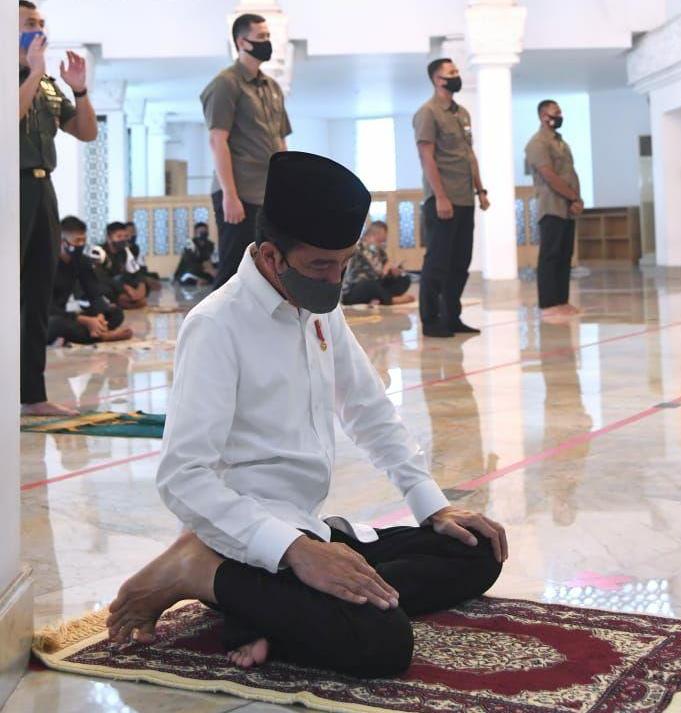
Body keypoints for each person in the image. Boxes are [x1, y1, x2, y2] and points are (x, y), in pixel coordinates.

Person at [107, 152, 507, 678]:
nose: (336, 279)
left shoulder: (318, 308)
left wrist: (432, 506)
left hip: (308, 530)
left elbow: (368, 409)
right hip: (244, 541)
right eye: (322, 265)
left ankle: (274, 613)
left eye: (344, 263)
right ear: (272, 257)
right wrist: (293, 550)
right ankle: (200, 572)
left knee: (477, 551)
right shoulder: (216, 326)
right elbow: (183, 478)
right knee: (382, 642)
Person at [19, 0, 98, 415]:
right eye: (29, 23)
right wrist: (32, 71)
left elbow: (85, 131)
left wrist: (79, 89)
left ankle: (32, 396)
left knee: (37, 292)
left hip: (42, 188)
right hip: (9, 187)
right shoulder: (19, 77)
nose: (38, 29)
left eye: (41, 23)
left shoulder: (48, 83)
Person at [201, 12, 292, 290]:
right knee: (233, 270)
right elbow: (218, 140)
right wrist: (230, 195)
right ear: (242, 42)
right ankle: (213, 331)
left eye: (268, 36)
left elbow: (280, 141)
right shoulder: (226, 83)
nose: (267, 42)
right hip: (240, 193)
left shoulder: (272, 87)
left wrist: (287, 188)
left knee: (268, 268)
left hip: (269, 194)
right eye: (261, 37)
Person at [413, 58, 489, 339]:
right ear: (437, 79)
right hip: (442, 200)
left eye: (457, 71)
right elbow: (427, 157)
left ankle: (451, 316)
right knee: (437, 263)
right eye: (451, 73)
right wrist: (441, 197)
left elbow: (468, 155)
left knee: (460, 262)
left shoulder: (462, 113)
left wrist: (480, 190)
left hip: (465, 198)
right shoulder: (428, 113)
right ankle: (431, 320)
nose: (457, 76)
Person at [525, 100, 584, 319]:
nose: (560, 115)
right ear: (543, 116)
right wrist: (572, 197)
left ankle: (561, 300)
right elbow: (550, 176)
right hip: (552, 206)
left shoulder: (561, 142)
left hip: (567, 205)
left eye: (560, 112)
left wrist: (576, 199)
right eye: (555, 112)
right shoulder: (538, 143)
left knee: (564, 254)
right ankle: (548, 303)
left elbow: (570, 173)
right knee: (551, 255)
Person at [48, 216, 132, 345]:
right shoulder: (47, 264)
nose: (81, 245)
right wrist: (84, 320)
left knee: (115, 313)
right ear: (62, 241)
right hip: (49, 316)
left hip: (68, 315)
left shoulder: (82, 261)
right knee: (56, 324)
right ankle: (102, 336)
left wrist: (99, 316)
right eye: (77, 241)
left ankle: (94, 332)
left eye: (84, 240)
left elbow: (94, 294)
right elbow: (45, 308)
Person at [342, 221, 414, 306]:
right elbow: (375, 271)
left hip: (375, 284)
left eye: (383, 241)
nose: (382, 244)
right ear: (370, 236)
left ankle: (380, 298)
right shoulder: (358, 247)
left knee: (404, 279)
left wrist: (393, 272)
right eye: (380, 241)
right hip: (356, 289)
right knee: (370, 285)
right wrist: (384, 269)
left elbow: (383, 275)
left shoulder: (380, 251)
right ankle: (391, 300)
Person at [96, 222, 148, 310]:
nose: (123, 240)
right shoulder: (99, 252)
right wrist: (126, 288)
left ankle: (123, 302)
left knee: (141, 286)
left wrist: (141, 286)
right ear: (109, 238)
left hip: (119, 286)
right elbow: (102, 277)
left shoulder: (125, 252)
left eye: (125, 236)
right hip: (105, 287)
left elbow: (136, 271)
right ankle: (119, 302)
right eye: (119, 237)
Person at [125, 220, 161, 290]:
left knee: (155, 276)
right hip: (129, 273)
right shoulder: (123, 247)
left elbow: (141, 264)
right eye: (130, 231)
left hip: (137, 271)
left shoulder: (135, 247)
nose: (133, 234)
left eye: (134, 231)